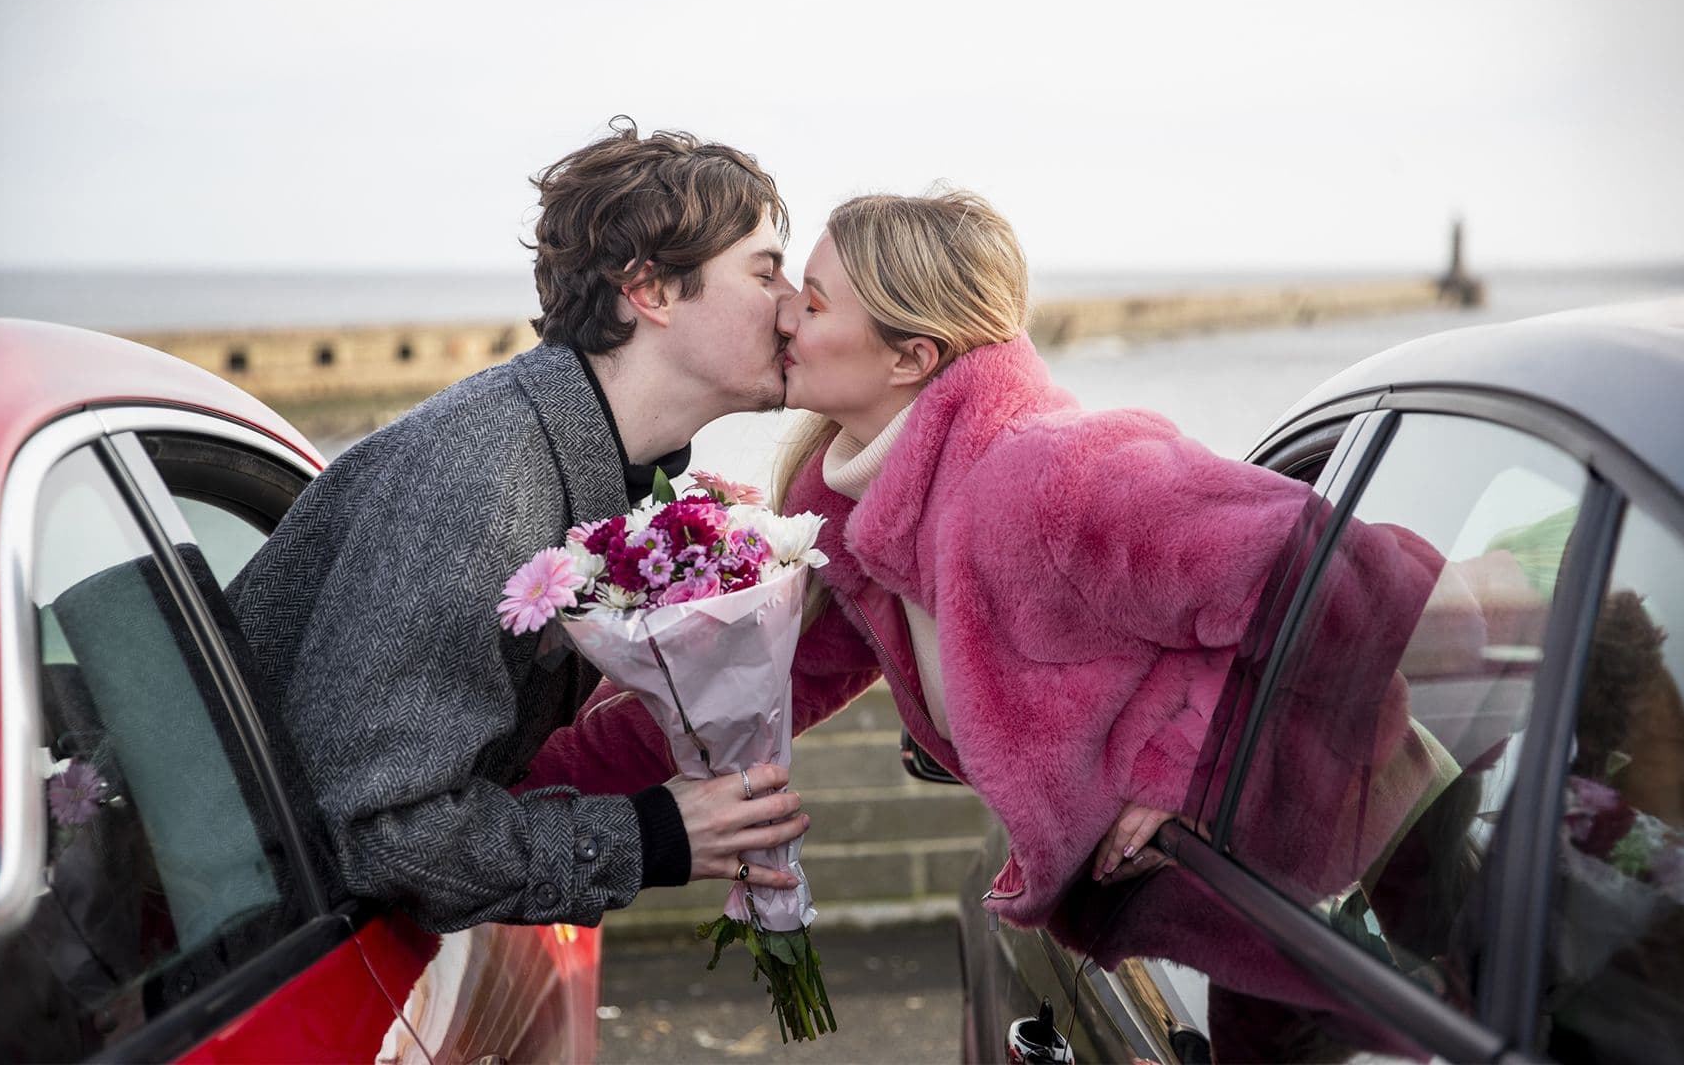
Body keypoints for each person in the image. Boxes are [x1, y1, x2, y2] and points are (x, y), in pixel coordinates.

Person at [523, 189, 1454, 1010]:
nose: (781, 322)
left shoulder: (1051, 477)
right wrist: (510, 807)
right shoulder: (844, 510)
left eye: (810, 303)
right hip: (1236, 932)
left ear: (910, 356)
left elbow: (1364, 582)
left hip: (1385, 873)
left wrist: (1189, 776)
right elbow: (755, 694)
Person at [226, 118, 811, 932]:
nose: (795, 310)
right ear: (648, 290)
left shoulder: (575, 462)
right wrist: (651, 836)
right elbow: (379, 830)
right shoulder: (485, 475)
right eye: (766, 273)